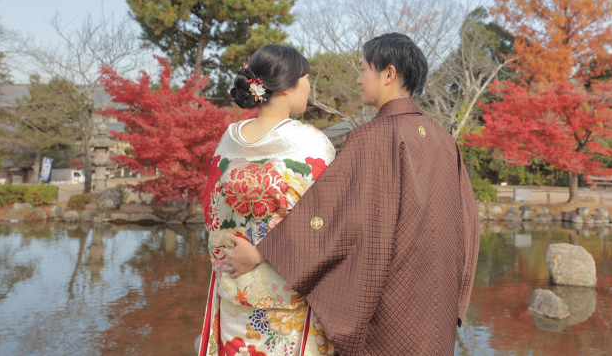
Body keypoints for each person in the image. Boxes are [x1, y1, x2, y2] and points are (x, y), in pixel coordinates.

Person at [222, 32, 481, 356]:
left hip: (393, 309)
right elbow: (468, 226)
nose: (358, 79)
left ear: (388, 74)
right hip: (435, 307)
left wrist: (262, 253)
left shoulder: (374, 137)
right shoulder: (445, 140)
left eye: (363, 69)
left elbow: (334, 218)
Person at [198, 44, 337, 356]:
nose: (310, 86)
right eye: (306, 78)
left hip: (234, 288)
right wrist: (265, 252)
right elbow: (327, 224)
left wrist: (240, 252)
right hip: (290, 299)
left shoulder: (228, 139)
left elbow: (211, 211)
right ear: (287, 86)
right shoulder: (313, 144)